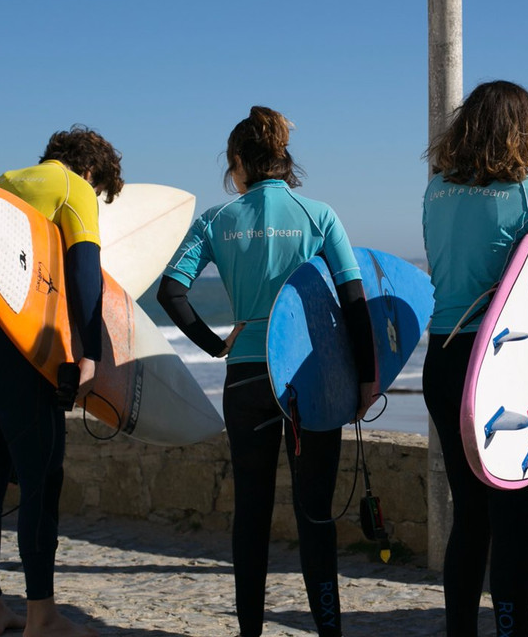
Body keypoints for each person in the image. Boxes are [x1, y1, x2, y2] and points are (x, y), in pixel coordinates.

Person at [156, 106, 375, 637]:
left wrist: (214, 344)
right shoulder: (320, 214)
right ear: (284, 158)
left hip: (249, 378)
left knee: (251, 512)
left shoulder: (214, 220)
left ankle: (250, 632)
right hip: (309, 378)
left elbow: (170, 291)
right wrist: (367, 379)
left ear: (237, 161)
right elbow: (353, 301)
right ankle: (329, 631)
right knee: (315, 513)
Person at [422, 80, 528, 637]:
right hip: (499, 371)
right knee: (513, 519)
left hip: (443, 364)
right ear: (522, 129)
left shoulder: (436, 190)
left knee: (470, 516)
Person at [0, 124, 124, 637]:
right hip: (12, 346)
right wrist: (90, 353)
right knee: (41, 478)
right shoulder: (74, 188)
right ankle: (43, 616)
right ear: (90, 171)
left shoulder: (2, 182)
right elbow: (85, 272)